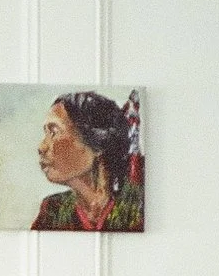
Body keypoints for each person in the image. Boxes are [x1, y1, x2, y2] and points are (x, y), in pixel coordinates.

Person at [32, 90, 144, 232]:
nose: (41, 147)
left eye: (54, 132)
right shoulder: (52, 210)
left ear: (98, 144)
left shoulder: (136, 205)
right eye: (46, 133)